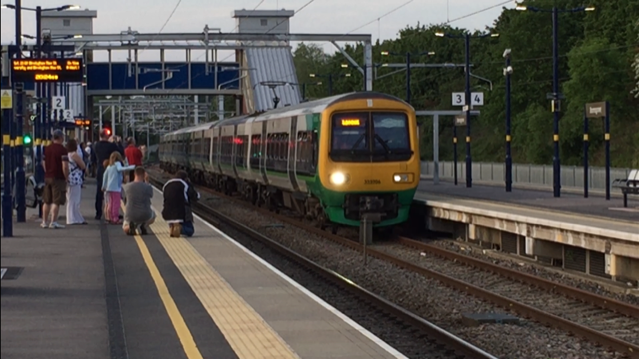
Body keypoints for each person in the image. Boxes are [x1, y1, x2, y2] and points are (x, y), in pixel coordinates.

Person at [92, 130, 123, 220]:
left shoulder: (96, 145)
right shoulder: (112, 145)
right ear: (106, 135)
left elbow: (93, 158)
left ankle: (98, 213)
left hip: (100, 169)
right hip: (111, 170)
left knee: (99, 192)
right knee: (112, 193)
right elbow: (120, 152)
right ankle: (112, 213)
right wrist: (118, 142)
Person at [41, 130, 69, 229]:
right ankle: (53, 221)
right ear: (61, 138)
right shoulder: (63, 150)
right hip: (58, 177)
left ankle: (44, 221)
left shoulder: (47, 149)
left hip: (47, 176)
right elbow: (64, 166)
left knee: (46, 200)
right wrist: (66, 177)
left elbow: (43, 163)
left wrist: (47, 171)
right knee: (56, 201)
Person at [161, 170, 200, 237]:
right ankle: (179, 228)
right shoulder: (185, 184)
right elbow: (195, 197)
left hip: (167, 214)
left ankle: (172, 226)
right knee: (190, 230)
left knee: (174, 215)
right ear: (185, 178)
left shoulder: (166, 184)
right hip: (181, 213)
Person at [102, 151, 135, 224]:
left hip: (109, 188)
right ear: (118, 158)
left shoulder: (109, 166)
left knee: (111, 203)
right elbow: (120, 169)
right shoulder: (117, 164)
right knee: (116, 204)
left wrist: (103, 186)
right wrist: (132, 167)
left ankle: (110, 217)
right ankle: (115, 218)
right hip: (115, 188)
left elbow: (105, 176)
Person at [122, 166, 156, 235]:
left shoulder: (127, 186)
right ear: (144, 175)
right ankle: (144, 225)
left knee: (125, 227)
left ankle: (131, 226)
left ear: (134, 174)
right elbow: (150, 195)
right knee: (154, 215)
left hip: (131, 215)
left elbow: (125, 201)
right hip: (145, 214)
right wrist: (147, 181)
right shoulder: (148, 187)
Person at [65, 139, 87, 225]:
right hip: (75, 178)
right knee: (75, 199)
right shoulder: (74, 155)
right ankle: (72, 218)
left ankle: (73, 217)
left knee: (70, 198)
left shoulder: (67, 155)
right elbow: (83, 165)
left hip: (70, 177)